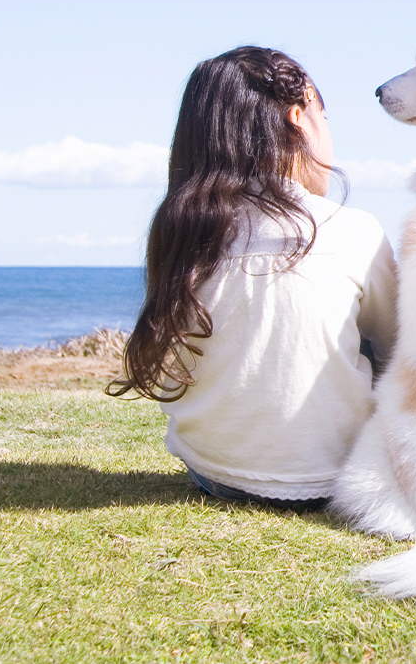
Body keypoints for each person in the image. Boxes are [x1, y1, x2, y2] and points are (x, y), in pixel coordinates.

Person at [110, 46, 398, 511]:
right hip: (335, 477)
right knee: (375, 336)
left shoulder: (182, 231)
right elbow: (398, 348)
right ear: (299, 115)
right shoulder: (351, 229)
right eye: (324, 120)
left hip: (213, 473)